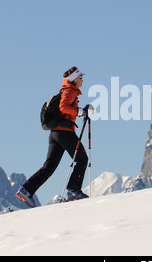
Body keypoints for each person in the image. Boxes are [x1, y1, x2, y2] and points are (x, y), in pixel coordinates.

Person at [16, 67, 94, 208]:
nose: (82, 79)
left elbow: (64, 109)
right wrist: (82, 111)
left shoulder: (66, 91)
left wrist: (81, 111)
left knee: (49, 166)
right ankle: (73, 191)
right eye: (80, 77)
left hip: (55, 134)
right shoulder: (69, 91)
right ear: (74, 79)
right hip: (64, 132)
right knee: (82, 159)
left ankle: (26, 190)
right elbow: (64, 108)